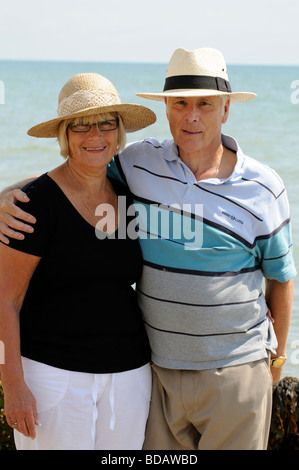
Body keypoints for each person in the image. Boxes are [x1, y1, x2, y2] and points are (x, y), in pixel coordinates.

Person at [0, 48, 296, 450]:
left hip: (220, 371)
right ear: (168, 110)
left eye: (204, 104)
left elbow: (280, 278)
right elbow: (71, 180)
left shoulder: (261, 186)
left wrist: (276, 359)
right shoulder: (140, 165)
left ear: (225, 110)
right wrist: (7, 195)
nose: (192, 116)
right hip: (150, 372)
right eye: (181, 104)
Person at [0, 72, 156, 450]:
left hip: (130, 377)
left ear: (119, 133)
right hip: (52, 376)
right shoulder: (32, 205)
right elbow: (5, 300)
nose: (95, 136)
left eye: (106, 124)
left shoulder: (127, 195)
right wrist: (13, 385)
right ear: (64, 136)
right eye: (81, 127)